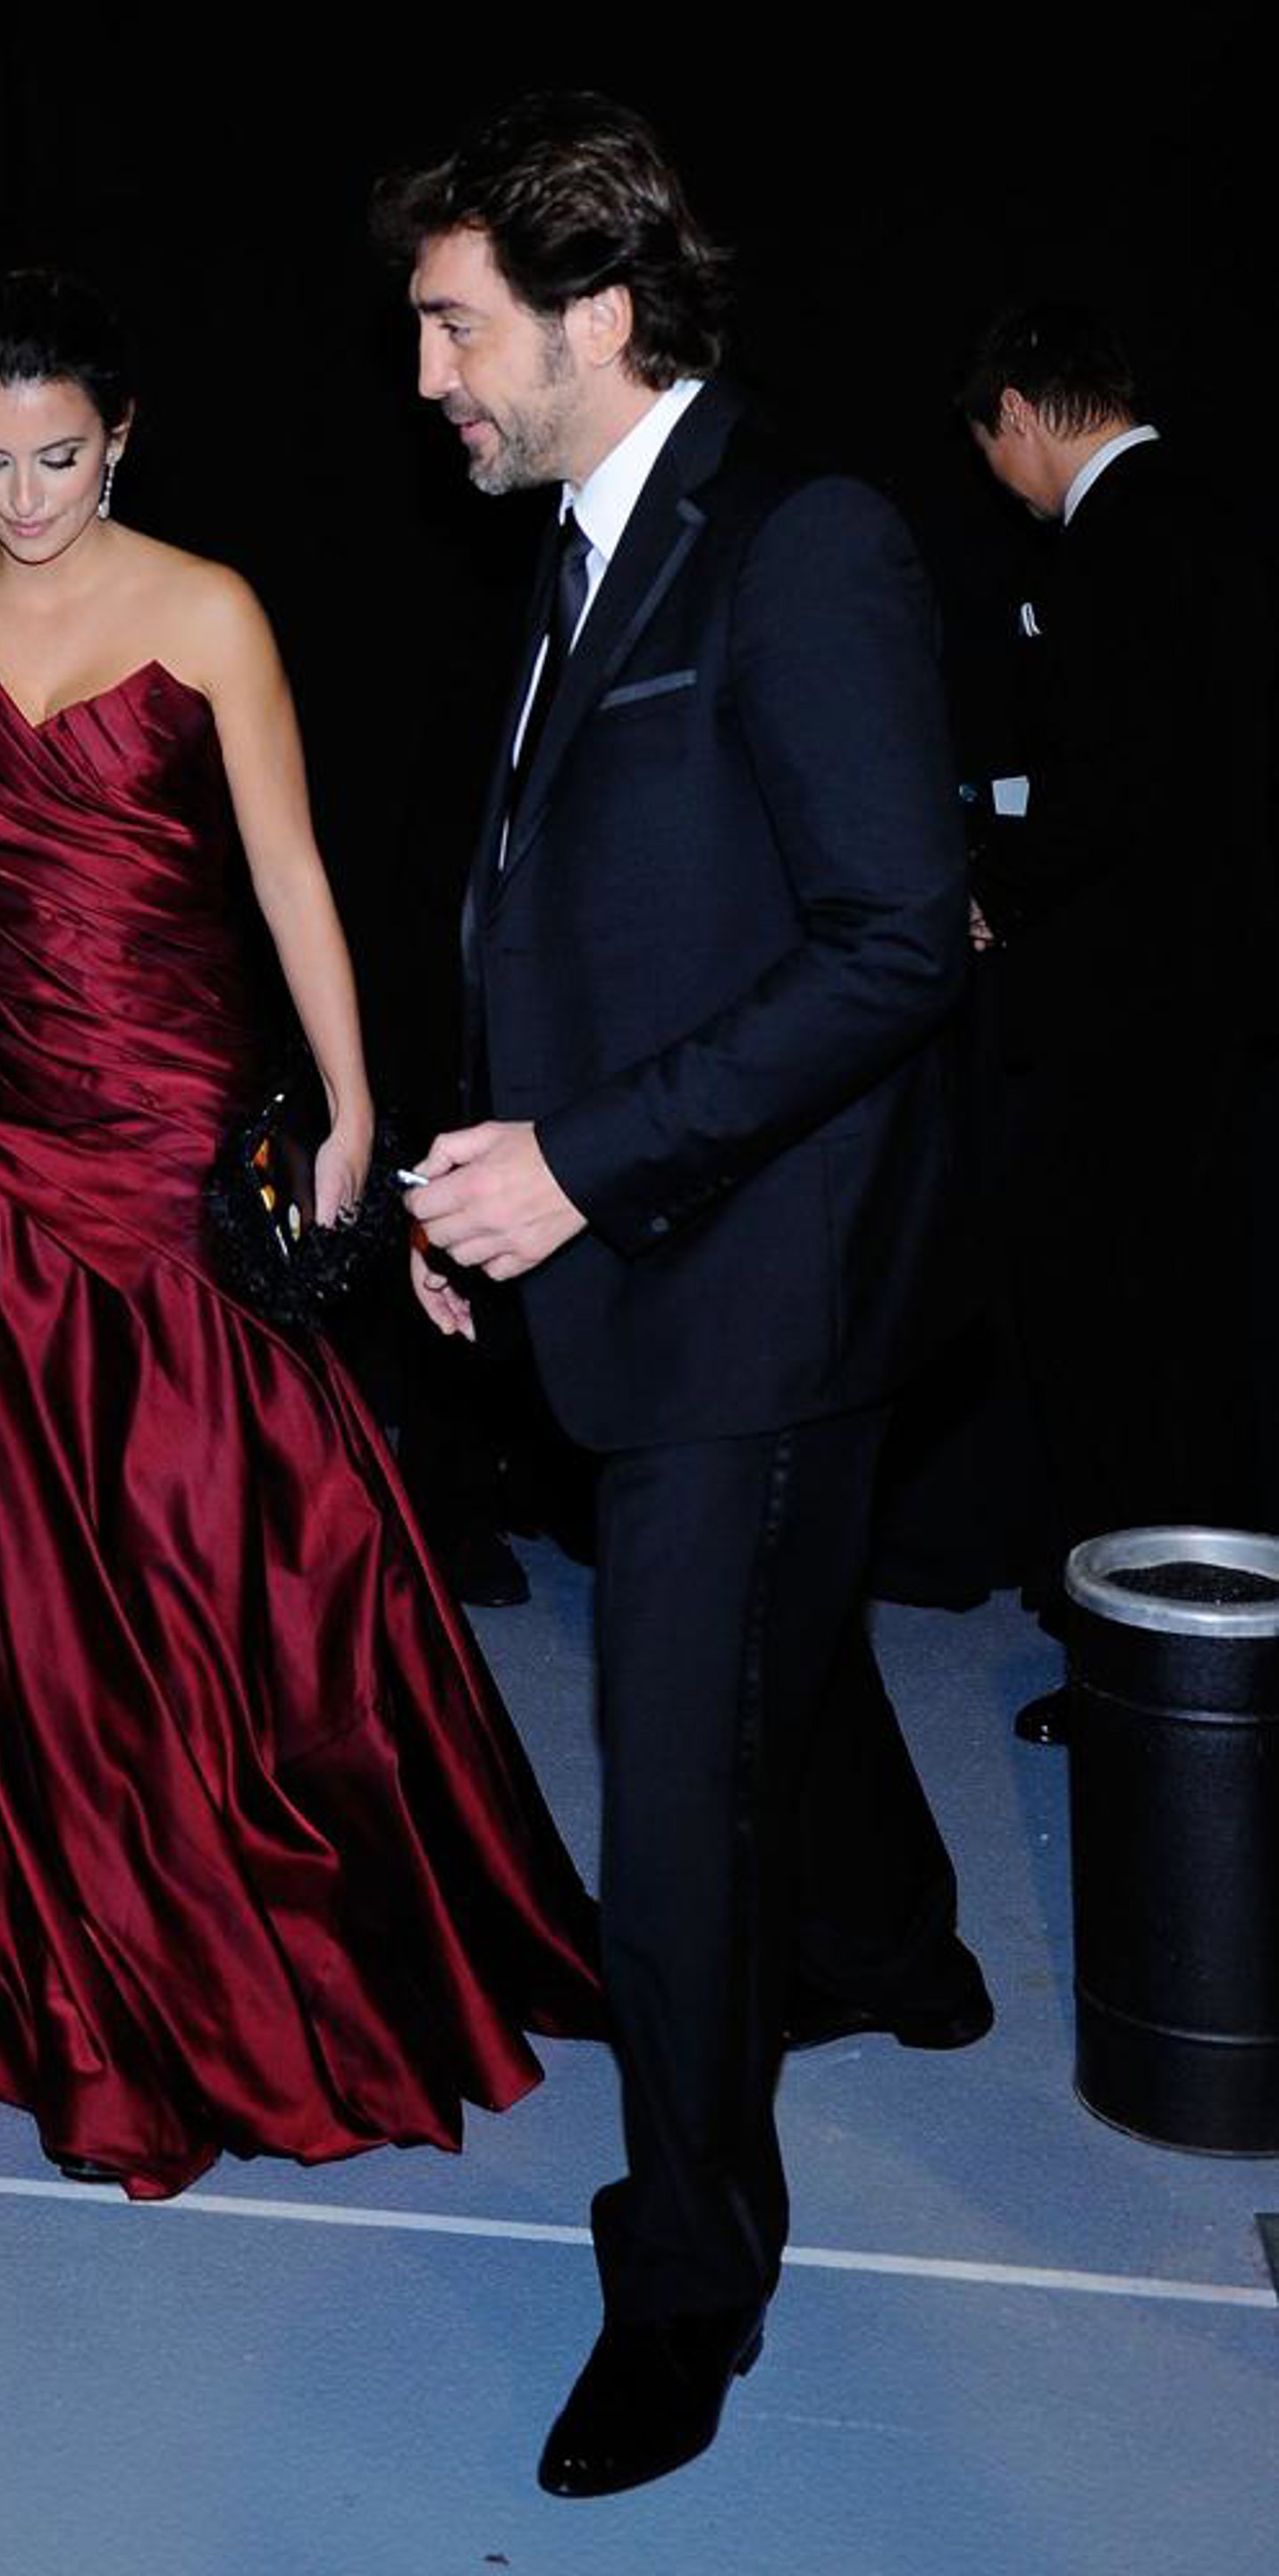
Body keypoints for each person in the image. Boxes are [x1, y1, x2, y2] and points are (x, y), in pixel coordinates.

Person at [0, 267, 602, 2197]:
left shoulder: (209, 609)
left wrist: (353, 1106)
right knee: (35, 1566)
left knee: (236, 1523)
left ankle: (280, 1895)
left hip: (177, 1152)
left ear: (123, 437)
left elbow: (291, 870)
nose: (23, 496)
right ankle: (92, 1938)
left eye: (58, 456)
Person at [376, 95, 992, 2498]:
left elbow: (894, 941)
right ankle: (902, 1945)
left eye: (456, 326)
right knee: (771, 1663)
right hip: (632, 1249)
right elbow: (565, 912)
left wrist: (582, 1166)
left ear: (596, 312)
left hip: (759, 1287)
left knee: (674, 1808)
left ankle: (689, 2282)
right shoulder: (579, 549)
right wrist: (482, 1180)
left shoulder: (801, 540)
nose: (427, 376)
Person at [961, 303, 1273, 1737]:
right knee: (1200, 1330)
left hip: (1122, 1016)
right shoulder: (1220, 522)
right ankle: (1213, 1648)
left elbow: (1108, 791)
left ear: (1021, 413)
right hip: (1219, 1009)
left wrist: (993, 881)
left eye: (988, 445)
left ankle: (1130, 1666)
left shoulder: (1110, 547)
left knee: (1105, 1335)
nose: (996, 479)